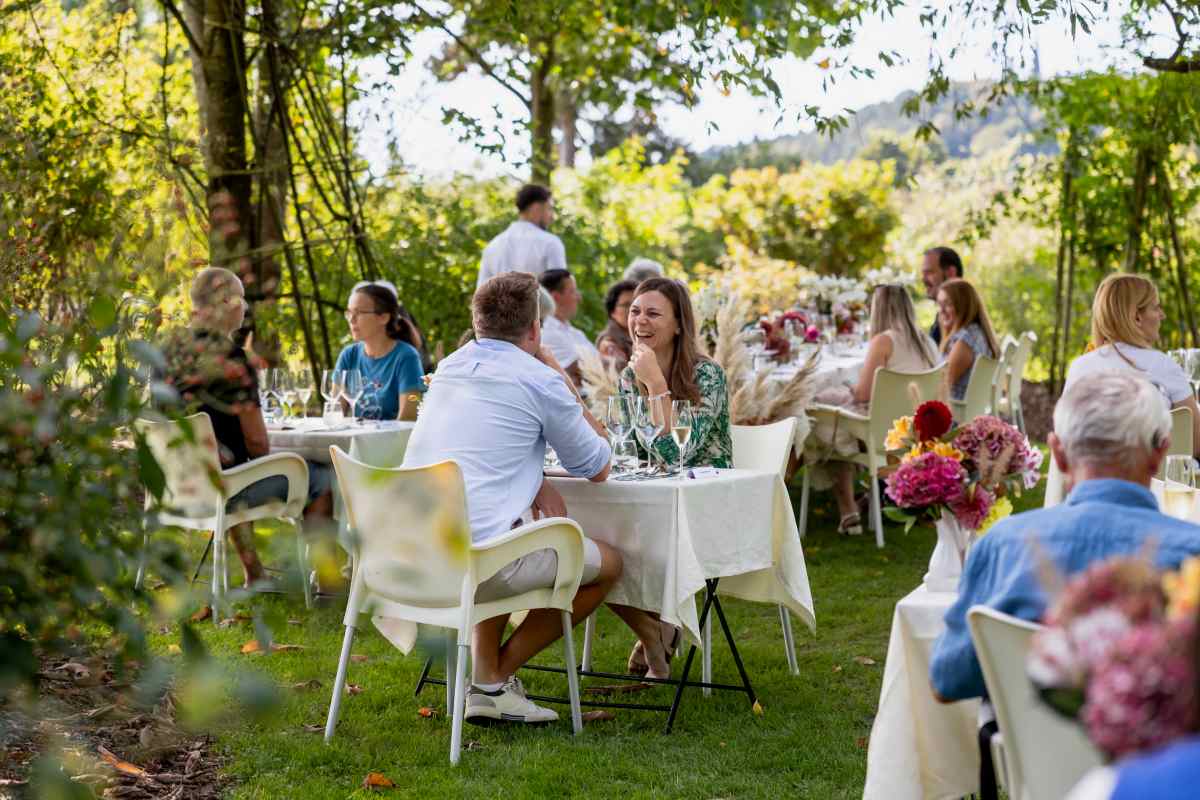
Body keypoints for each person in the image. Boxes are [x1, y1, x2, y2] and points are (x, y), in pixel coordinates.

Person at [930, 370, 1200, 800]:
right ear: (1160, 451)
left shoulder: (1001, 546)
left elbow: (947, 681)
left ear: (1057, 453)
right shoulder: (1194, 557)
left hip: (1035, 784)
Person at [401, 272, 622, 725]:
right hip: (478, 560)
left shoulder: (450, 368)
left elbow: (476, 446)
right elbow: (598, 466)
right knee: (611, 564)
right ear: (536, 330)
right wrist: (559, 375)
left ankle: (488, 681)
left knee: (501, 524)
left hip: (409, 551)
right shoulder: (540, 380)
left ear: (477, 322)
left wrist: (533, 476)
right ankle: (494, 678)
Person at [163, 267, 333, 588]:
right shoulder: (232, 359)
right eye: (241, 299)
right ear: (224, 302)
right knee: (322, 476)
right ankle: (328, 579)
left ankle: (255, 573)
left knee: (232, 465)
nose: (245, 308)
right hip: (224, 490)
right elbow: (257, 445)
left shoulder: (163, 352)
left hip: (175, 484)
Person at [615, 276, 734, 676]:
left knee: (632, 543)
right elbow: (628, 448)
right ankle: (654, 634)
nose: (639, 321)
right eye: (634, 311)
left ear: (679, 324)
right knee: (595, 549)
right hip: (653, 503)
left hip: (703, 511)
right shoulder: (629, 377)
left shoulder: (707, 377)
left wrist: (655, 383)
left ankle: (661, 630)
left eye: (652, 313)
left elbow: (676, 453)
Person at [807, 285, 938, 534]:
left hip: (884, 434)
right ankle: (867, 496)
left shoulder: (884, 341)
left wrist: (846, 389)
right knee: (834, 408)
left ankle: (848, 509)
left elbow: (863, 394)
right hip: (917, 430)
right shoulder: (926, 340)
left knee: (820, 419)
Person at [1066, 273, 1200, 457]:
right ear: (1137, 317)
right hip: (1151, 482)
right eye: (1155, 308)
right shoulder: (1164, 366)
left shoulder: (1080, 367)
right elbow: (1194, 443)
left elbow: (1065, 439)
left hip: (1090, 479)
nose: (1162, 315)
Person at [334, 282, 424, 420]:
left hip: (393, 441)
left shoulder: (407, 357)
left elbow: (408, 419)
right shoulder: (348, 355)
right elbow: (335, 411)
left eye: (359, 313)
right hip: (356, 440)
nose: (351, 319)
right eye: (349, 312)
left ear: (384, 317)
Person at [475, 184, 566, 289]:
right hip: (537, 305)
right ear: (536, 208)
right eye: (549, 208)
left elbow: (480, 296)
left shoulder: (492, 246)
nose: (552, 217)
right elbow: (560, 292)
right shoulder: (550, 243)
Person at [936, 278, 999, 401]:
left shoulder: (965, 341)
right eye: (939, 304)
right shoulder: (976, 332)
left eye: (948, 304)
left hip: (955, 415)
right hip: (968, 410)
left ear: (963, 306)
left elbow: (941, 386)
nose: (941, 311)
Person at [539, 269, 599, 387]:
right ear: (555, 297)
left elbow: (601, 366)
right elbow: (586, 371)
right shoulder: (546, 332)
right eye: (573, 291)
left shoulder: (576, 333)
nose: (579, 297)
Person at [921, 246, 963, 345]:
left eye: (929, 272)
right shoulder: (944, 316)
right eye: (923, 274)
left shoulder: (961, 319)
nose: (923, 280)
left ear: (951, 273)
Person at [595, 279, 637, 367]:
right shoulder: (609, 342)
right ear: (612, 311)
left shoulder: (637, 335)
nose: (632, 309)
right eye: (626, 305)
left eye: (636, 304)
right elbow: (624, 376)